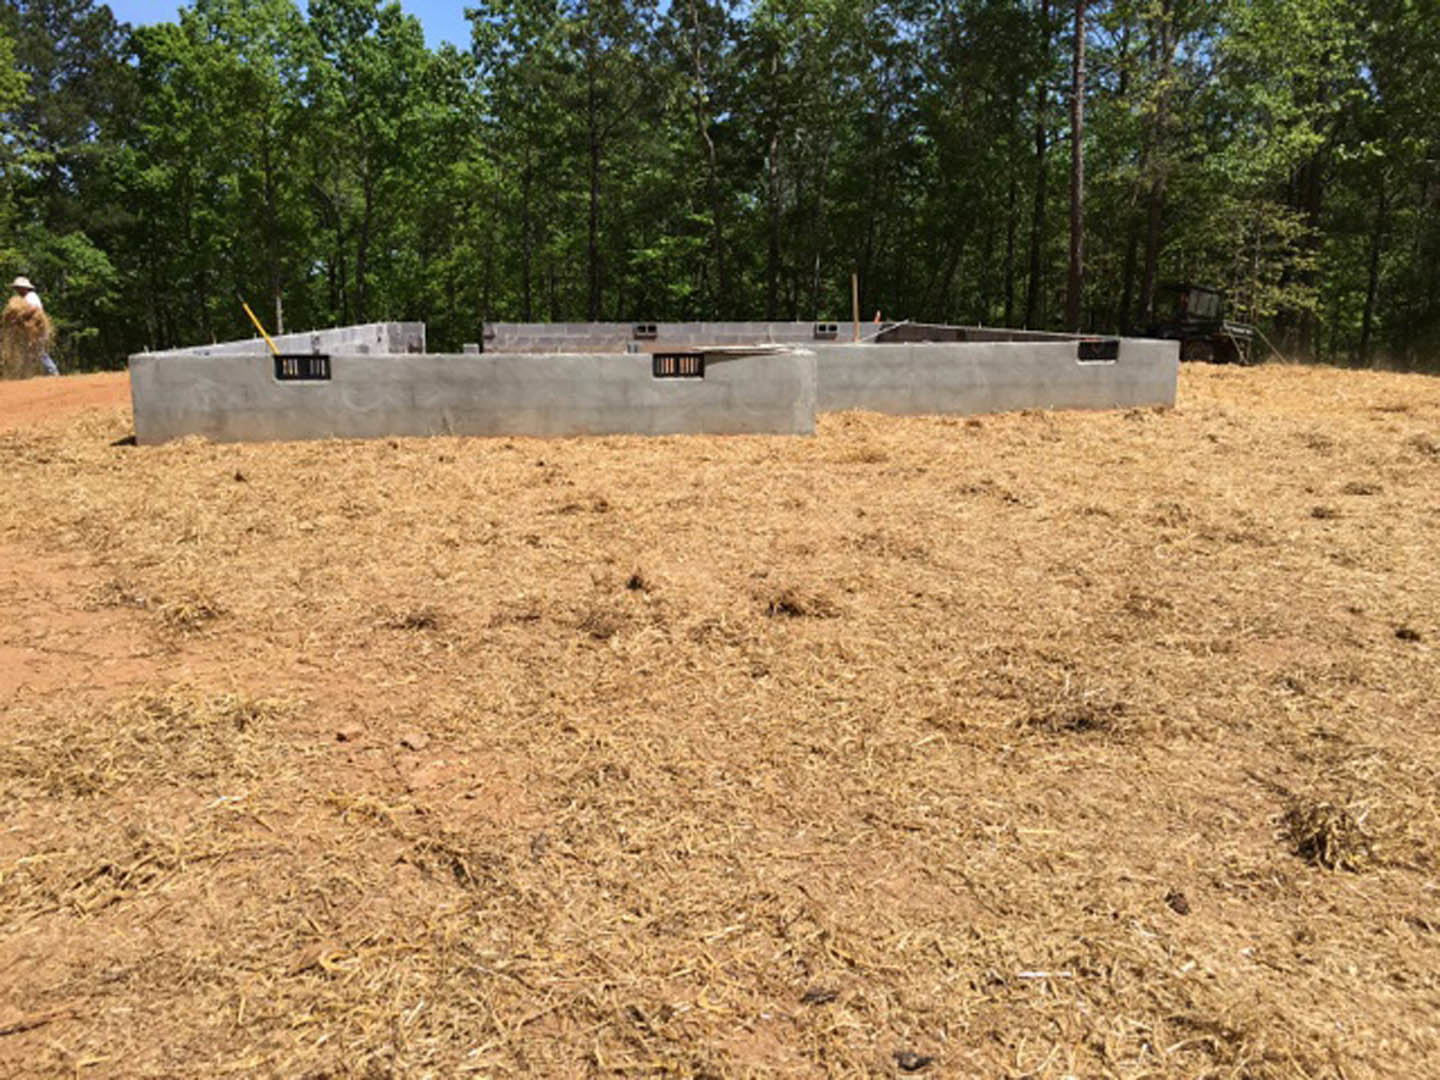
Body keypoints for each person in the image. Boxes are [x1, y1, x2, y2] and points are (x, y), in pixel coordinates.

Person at [11, 276, 58, 375]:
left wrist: (20, 317)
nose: (17, 290)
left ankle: (53, 371)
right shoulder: (22, 299)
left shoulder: (31, 296)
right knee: (30, 352)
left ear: (24, 288)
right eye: (16, 288)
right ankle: (31, 374)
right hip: (30, 331)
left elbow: (33, 309)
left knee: (39, 352)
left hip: (37, 329)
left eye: (18, 287)